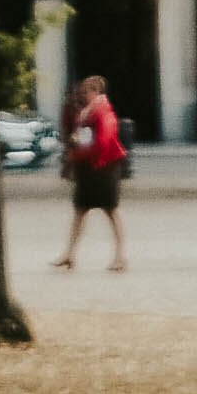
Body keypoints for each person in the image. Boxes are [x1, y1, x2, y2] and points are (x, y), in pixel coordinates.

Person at [54, 72, 129, 273]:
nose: (82, 95)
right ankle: (69, 254)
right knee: (80, 211)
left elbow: (102, 142)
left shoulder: (103, 112)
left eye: (85, 92)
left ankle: (120, 256)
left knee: (110, 212)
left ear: (96, 92)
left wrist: (77, 153)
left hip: (104, 168)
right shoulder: (87, 112)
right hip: (89, 168)